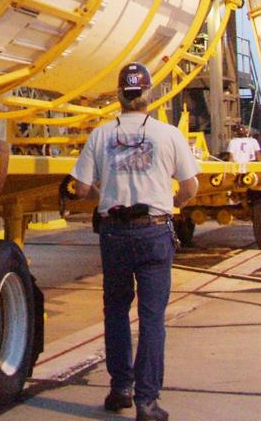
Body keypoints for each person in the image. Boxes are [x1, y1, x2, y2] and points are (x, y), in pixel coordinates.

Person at [70, 62, 199, 421]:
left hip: (114, 232)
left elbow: (79, 188)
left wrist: (104, 193)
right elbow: (190, 186)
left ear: (119, 95)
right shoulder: (168, 134)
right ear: (148, 94)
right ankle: (147, 401)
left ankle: (120, 389)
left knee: (115, 311)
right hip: (154, 230)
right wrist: (173, 202)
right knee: (152, 317)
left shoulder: (100, 135)